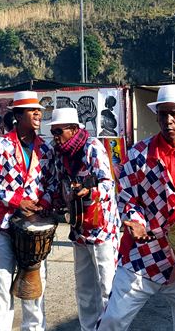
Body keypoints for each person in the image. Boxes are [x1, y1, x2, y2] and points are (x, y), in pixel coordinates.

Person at [97, 84, 175, 331]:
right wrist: (136, 222)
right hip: (143, 253)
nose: (168, 120)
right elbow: (126, 196)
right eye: (163, 114)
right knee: (113, 320)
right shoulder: (139, 154)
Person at [0, 91, 56, 331]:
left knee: (36, 284)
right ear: (18, 115)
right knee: (2, 283)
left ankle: (34, 328)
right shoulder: (2, 145)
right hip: (5, 224)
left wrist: (42, 204)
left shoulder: (45, 149)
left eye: (39, 111)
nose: (38, 114)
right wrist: (17, 201)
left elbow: (52, 183)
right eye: (32, 111)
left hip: (35, 227)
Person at [49, 107, 120, 331]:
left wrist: (89, 191)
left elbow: (109, 185)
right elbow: (59, 183)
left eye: (59, 131)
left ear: (73, 129)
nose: (56, 137)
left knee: (107, 284)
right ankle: (88, 328)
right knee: (84, 287)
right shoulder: (60, 153)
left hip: (101, 227)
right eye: (53, 132)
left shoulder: (92, 148)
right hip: (79, 228)